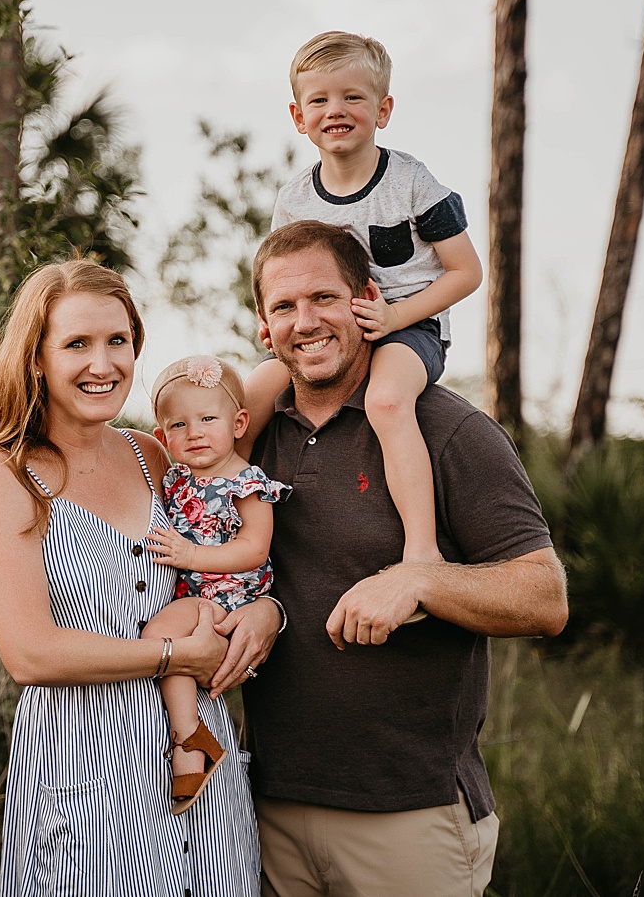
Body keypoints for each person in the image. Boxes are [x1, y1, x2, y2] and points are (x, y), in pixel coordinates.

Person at [241, 220, 569, 897]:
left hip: (410, 816)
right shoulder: (246, 440)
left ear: (366, 298)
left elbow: (545, 597)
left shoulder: (448, 430)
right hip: (266, 807)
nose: (306, 321)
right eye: (284, 306)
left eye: (324, 298)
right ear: (263, 325)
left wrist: (418, 578)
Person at [0, 260, 268, 896]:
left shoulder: (153, 454)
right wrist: (174, 654)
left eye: (118, 340)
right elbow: (30, 653)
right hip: (88, 779)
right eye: (76, 344)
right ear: (36, 359)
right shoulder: (1, 475)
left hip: (196, 756)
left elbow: (227, 550)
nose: (102, 363)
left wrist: (265, 614)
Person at [243, 30, 483, 571]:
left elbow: (467, 272)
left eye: (353, 97)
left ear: (384, 108)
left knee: (386, 402)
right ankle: (211, 524)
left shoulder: (412, 182)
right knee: (250, 397)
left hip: (406, 327)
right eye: (320, 100)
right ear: (298, 116)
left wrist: (395, 315)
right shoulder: (295, 198)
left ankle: (422, 553)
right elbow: (279, 275)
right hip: (323, 329)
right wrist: (271, 320)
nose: (337, 110)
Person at [139, 355, 290, 814]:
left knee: (157, 638)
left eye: (208, 419)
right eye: (179, 425)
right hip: (197, 593)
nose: (195, 432)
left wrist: (191, 556)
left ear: (239, 422)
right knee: (170, 648)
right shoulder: (175, 479)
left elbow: (254, 549)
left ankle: (188, 739)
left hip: (232, 596)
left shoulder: (246, 483)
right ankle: (194, 736)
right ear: (163, 437)